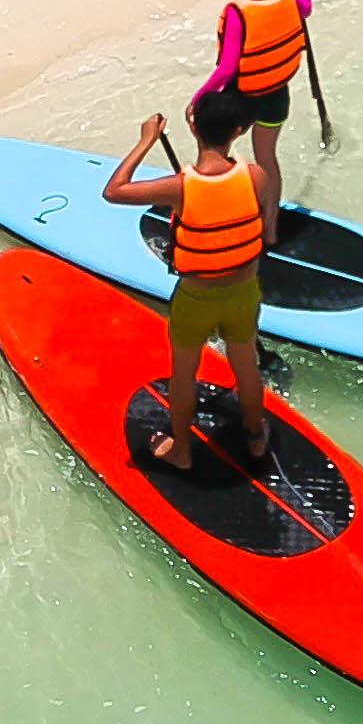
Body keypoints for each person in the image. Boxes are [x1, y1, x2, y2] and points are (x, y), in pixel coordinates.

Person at [102, 96, 273, 475]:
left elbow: (114, 191)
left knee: (184, 372)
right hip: (244, 290)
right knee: (245, 365)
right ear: (239, 132)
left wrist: (147, 140)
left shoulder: (178, 187)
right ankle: (256, 434)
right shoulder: (257, 176)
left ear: (192, 127)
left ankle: (182, 449)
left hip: (197, 296)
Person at [203, 0, 312, 244]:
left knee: (213, 152)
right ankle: (271, 229)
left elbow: (226, 69)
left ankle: (217, 210)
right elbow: (305, 6)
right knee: (267, 159)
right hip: (277, 95)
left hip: (242, 99)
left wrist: (199, 98)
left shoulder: (238, 11)